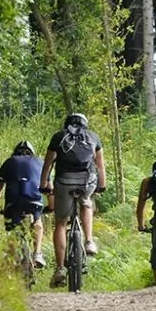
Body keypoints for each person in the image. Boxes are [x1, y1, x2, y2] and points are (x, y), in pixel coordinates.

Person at [39, 112, 107, 288]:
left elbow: (48, 163)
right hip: (87, 181)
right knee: (86, 202)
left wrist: (43, 184)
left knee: (61, 223)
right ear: (85, 124)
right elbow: (100, 165)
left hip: (64, 181)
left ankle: (60, 268)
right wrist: (101, 185)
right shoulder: (93, 137)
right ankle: (89, 241)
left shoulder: (58, 136)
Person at [0, 140, 47, 268]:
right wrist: (51, 207)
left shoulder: (9, 162)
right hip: (34, 199)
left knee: (11, 229)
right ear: (32, 153)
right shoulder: (40, 162)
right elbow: (50, 188)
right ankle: (37, 253)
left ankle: (12, 258)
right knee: (37, 221)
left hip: (13, 201)